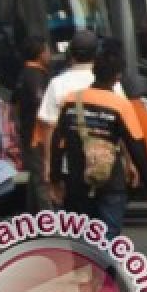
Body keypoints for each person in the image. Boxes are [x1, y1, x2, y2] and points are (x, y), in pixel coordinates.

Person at [50, 49, 147, 239]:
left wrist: (55, 179)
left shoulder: (70, 101)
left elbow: (58, 143)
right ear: (118, 77)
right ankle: (104, 268)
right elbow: (136, 145)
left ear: (94, 71)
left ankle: (85, 268)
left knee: (81, 240)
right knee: (108, 238)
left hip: (77, 182)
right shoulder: (120, 105)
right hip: (111, 182)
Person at [35, 30, 123, 200]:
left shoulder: (58, 83)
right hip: (108, 164)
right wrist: (130, 163)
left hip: (72, 166)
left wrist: (49, 166)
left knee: (79, 220)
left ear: (70, 54)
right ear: (97, 55)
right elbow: (125, 125)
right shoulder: (110, 81)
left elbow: (49, 129)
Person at [14, 35, 52, 212]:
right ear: (39, 53)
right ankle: (48, 220)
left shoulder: (22, 74)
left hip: (27, 132)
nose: (49, 54)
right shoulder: (36, 75)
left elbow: (15, 104)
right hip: (38, 135)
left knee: (34, 177)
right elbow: (41, 103)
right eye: (46, 50)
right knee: (42, 177)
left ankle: (33, 216)